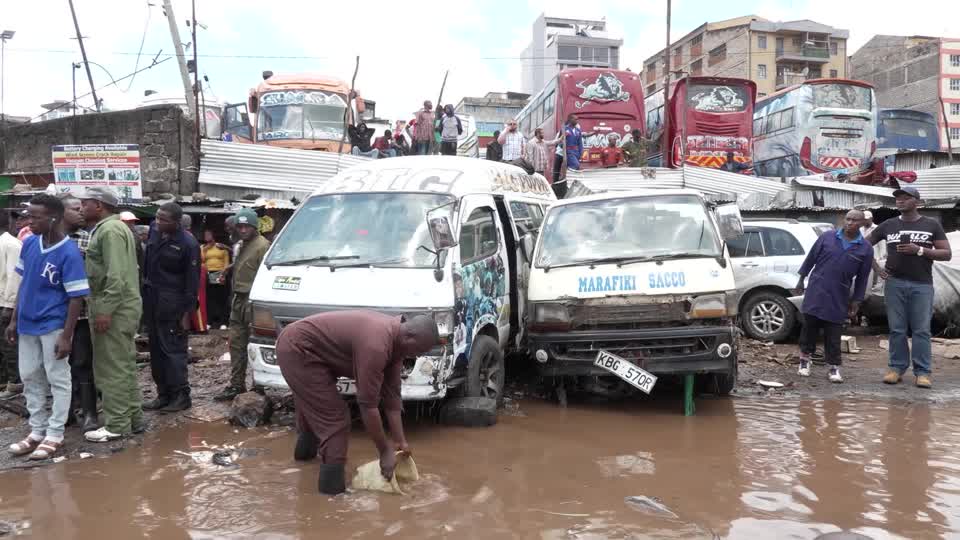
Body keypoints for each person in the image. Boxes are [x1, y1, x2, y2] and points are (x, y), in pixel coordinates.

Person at [275, 311, 440, 494]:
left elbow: (392, 397)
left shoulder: (397, 343)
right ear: (409, 337)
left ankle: (303, 464)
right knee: (335, 421)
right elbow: (367, 405)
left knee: (317, 410)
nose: (416, 356)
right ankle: (331, 499)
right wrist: (384, 451)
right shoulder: (377, 345)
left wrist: (400, 441)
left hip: (311, 351)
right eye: (418, 351)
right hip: (297, 350)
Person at [5, 194, 89, 460]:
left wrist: (67, 335)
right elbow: (23, 284)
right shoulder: (29, 243)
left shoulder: (69, 252)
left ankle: (55, 434)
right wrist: (14, 319)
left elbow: (76, 297)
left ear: (53, 218)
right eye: (28, 216)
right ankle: (36, 430)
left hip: (53, 323)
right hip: (27, 323)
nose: (29, 221)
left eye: (35, 217)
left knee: (57, 378)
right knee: (29, 375)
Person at [868, 186, 952, 388]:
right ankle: (896, 368)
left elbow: (946, 253)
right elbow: (863, 246)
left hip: (922, 284)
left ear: (917, 202)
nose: (900, 201)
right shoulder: (888, 225)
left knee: (921, 330)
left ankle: (922, 372)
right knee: (897, 329)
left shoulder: (931, 224)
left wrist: (920, 250)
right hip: (894, 283)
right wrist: (877, 269)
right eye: (898, 198)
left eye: (906, 198)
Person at [80, 187, 144, 442]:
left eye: (85, 203)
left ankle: (117, 424)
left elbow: (115, 275)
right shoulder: (115, 228)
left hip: (114, 308)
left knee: (110, 368)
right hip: (123, 306)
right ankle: (133, 418)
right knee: (125, 364)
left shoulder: (108, 230)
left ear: (99, 205)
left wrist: (104, 310)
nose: (81, 208)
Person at [794, 210, 874, 383]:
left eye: (854, 220)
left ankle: (833, 367)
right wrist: (801, 280)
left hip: (839, 293)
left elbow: (863, 277)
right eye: (848, 219)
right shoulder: (827, 237)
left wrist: (857, 300)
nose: (849, 223)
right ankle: (804, 361)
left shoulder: (865, 249)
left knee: (834, 330)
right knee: (809, 326)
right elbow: (810, 259)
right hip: (817, 288)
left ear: (862, 223)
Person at [142, 203, 200, 413]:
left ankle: (181, 395)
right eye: (157, 217)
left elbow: (192, 282)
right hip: (152, 302)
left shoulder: (188, 243)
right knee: (156, 352)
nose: (158, 222)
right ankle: (163, 394)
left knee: (173, 352)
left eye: (164, 219)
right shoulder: (154, 232)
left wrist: (187, 313)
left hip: (174, 305)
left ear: (177, 222)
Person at [214, 208, 271, 401]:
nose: (243, 229)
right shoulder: (241, 245)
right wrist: (228, 269)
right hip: (238, 299)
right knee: (236, 344)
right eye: (240, 226)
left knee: (255, 344)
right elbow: (242, 264)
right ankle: (237, 385)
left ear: (255, 227)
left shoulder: (263, 245)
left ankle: (259, 386)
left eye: (247, 226)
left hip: (253, 300)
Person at [62, 195, 98, 432]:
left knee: (83, 361)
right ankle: (64, 412)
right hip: (56, 313)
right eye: (75, 209)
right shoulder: (44, 240)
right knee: (58, 365)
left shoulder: (89, 240)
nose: (81, 212)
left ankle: (89, 413)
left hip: (83, 312)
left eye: (82, 207)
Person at [0, 211, 22, 400]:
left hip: (5, 303)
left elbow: (15, 277)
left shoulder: (11, 244)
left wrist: (9, 306)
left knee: (9, 344)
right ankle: (4, 379)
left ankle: (15, 383)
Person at [202, 230, 231, 330]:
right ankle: (210, 321)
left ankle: (223, 322)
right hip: (207, 274)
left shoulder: (221, 247)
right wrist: (206, 249)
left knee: (221, 298)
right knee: (209, 299)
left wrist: (224, 274)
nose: (206, 236)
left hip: (219, 273)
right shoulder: (203, 248)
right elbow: (201, 260)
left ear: (213, 235)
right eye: (205, 235)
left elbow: (226, 262)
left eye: (209, 234)